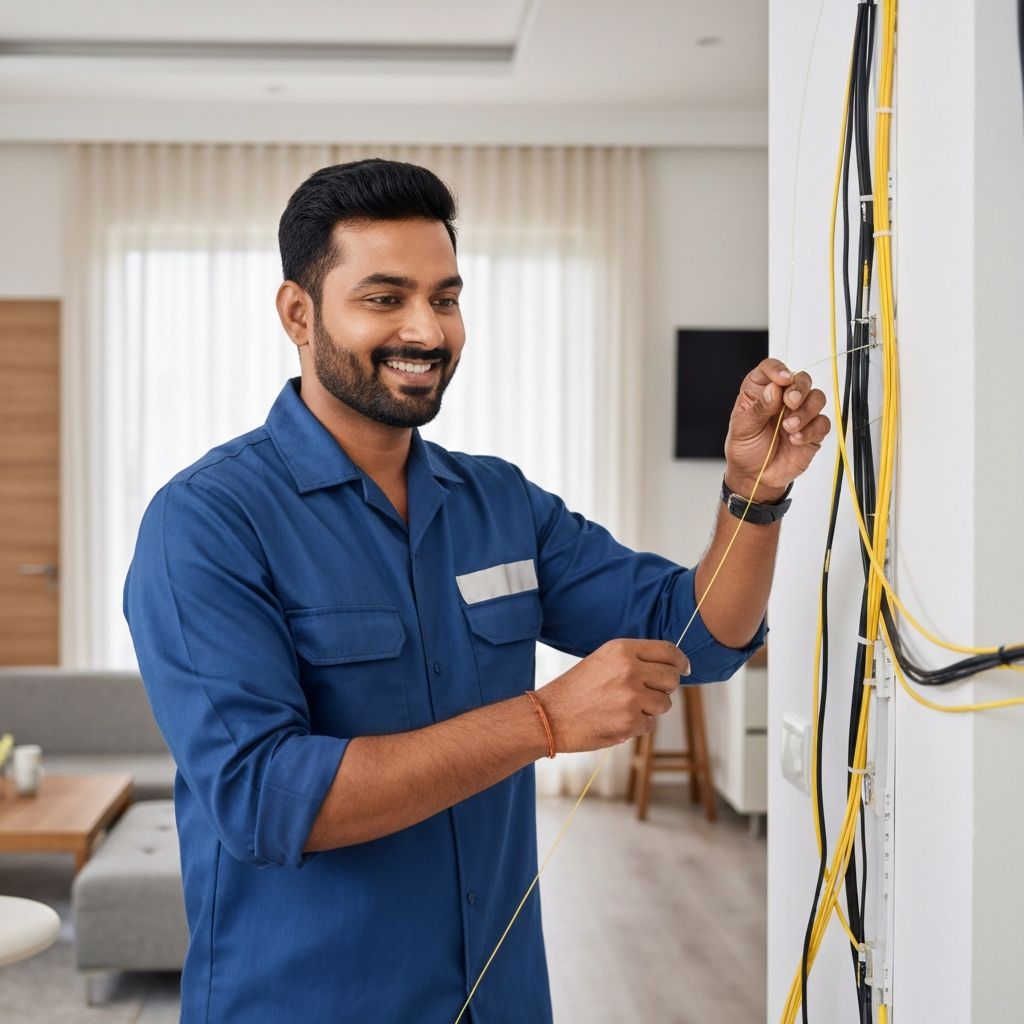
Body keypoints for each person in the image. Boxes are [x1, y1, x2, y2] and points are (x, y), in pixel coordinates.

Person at [124, 158, 829, 1024]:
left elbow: (701, 638)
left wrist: (754, 492)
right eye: (385, 298)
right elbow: (265, 799)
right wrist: (545, 721)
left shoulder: (499, 503)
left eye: (446, 298)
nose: (427, 330)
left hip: (502, 1000)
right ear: (298, 314)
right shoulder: (205, 522)